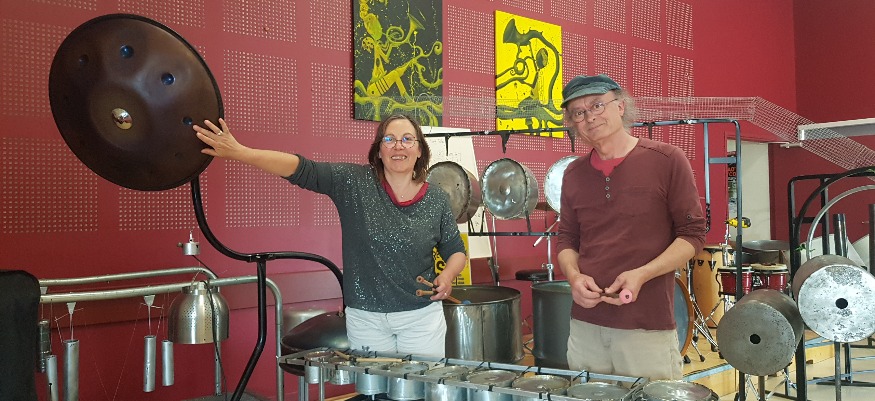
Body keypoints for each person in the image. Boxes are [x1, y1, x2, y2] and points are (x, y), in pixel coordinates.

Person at [192, 114, 468, 358]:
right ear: (378, 151)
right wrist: (241, 152)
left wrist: (446, 277)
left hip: (421, 318)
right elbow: (301, 168)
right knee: (376, 392)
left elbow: (455, 250)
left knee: (421, 390)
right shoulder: (353, 182)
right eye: (389, 139)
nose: (399, 146)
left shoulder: (436, 199)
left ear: (419, 150)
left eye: (407, 139)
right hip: (366, 319)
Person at [556, 74, 706, 380]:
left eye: (597, 105)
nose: (590, 117)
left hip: (646, 326)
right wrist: (574, 277)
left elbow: (692, 236)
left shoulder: (667, 160)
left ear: (621, 106)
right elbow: (567, 240)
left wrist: (642, 274)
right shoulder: (573, 173)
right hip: (586, 327)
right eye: (578, 112)